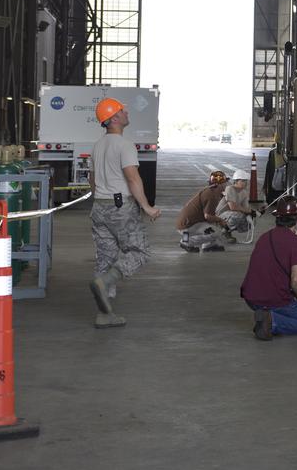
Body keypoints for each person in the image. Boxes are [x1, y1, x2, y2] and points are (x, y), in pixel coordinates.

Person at [88, 97, 161, 328]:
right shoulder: (124, 145)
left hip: (99, 207)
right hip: (120, 207)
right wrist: (146, 206)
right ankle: (106, 281)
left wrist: (100, 197)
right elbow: (132, 177)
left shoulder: (98, 145)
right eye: (123, 110)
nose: (127, 112)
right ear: (115, 118)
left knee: (105, 259)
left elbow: (92, 179)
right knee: (140, 252)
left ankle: (104, 313)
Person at [241, 196, 297, 340]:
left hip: (251, 299)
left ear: (277, 217)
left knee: (288, 309)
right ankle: (271, 321)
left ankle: (266, 314)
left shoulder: (264, 237)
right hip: (275, 299)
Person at [176, 170, 229, 252]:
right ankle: (186, 242)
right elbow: (208, 216)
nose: (226, 185)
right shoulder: (212, 196)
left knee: (213, 224)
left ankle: (210, 245)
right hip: (188, 226)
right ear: (219, 185)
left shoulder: (210, 191)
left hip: (187, 223)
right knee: (217, 232)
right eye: (224, 183)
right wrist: (221, 221)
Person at [215, 170, 255, 242]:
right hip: (220, 215)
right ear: (236, 181)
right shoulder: (229, 189)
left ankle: (227, 231)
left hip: (230, 214)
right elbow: (233, 207)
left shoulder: (244, 192)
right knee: (238, 215)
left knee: (250, 220)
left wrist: (256, 212)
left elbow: (246, 208)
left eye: (246, 181)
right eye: (242, 181)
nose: (245, 183)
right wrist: (249, 211)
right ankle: (223, 231)